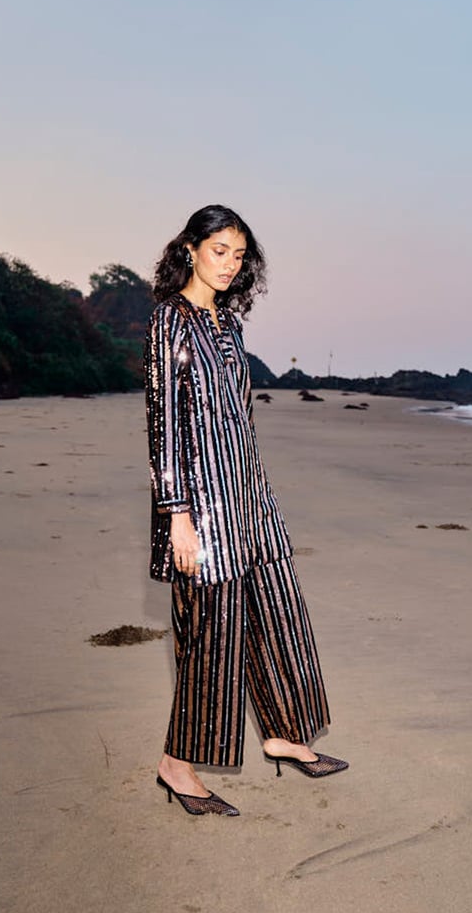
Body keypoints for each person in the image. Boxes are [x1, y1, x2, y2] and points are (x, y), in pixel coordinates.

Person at [144, 205, 348, 816]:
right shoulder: (169, 320)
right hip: (200, 507)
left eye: (239, 255)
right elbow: (163, 423)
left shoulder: (229, 323)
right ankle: (177, 766)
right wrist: (177, 515)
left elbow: (242, 419)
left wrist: (259, 493)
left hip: (248, 496)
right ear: (189, 249)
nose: (230, 264)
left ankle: (283, 734)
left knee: (278, 612)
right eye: (219, 251)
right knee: (210, 636)